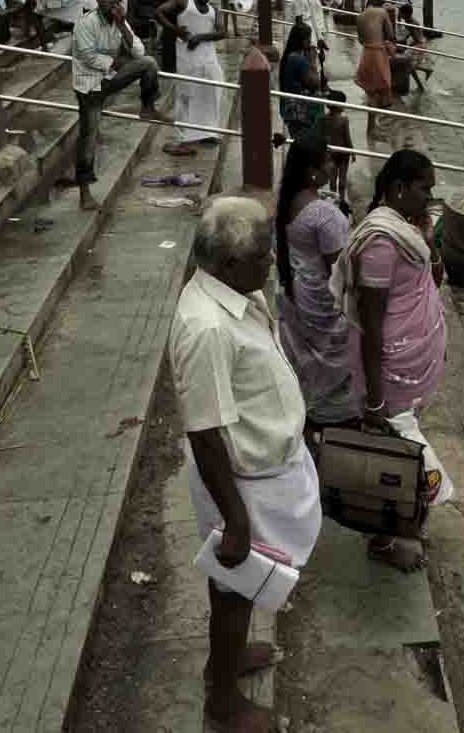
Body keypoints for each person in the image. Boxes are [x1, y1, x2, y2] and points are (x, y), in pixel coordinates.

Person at [169, 196, 320, 733]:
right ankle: (224, 704)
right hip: (239, 480)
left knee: (247, 579)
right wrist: (234, 518)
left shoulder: (239, 291)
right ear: (228, 264)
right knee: (233, 583)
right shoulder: (207, 327)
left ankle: (224, 662)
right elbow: (205, 431)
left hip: (264, 470)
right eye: (261, 256)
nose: (271, 264)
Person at [338, 149, 452, 573]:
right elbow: (369, 325)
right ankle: (384, 539)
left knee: (397, 451)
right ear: (398, 188)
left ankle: (394, 528)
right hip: (389, 370)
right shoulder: (381, 244)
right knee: (395, 455)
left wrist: (427, 237)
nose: (431, 197)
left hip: (411, 367)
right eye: (425, 189)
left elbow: (435, 278)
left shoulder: (406, 230)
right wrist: (373, 398)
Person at [273, 131, 354, 430]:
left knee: (310, 353)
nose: (333, 167)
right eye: (328, 162)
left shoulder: (289, 202)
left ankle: (312, 404)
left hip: (299, 291)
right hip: (322, 295)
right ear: (311, 171)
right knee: (340, 348)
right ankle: (335, 411)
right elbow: (339, 271)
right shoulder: (323, 215)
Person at [71, 0, 169, 211]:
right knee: (89, 137)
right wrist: (116, 62)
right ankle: (85, 192)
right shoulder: (86, 23)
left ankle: (148, 106)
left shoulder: (119, 22)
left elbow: (138, 50)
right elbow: (88, 56)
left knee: (148, 63)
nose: (103, 0)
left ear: (118, 1)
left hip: (109, 77)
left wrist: (123, 24)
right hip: (89, 86)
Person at [160, 0, 225, 157]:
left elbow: (222, 32)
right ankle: (182, 141)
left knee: (212, 93)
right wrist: (175, 30)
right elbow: (159, 12)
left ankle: (207, 132)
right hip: (187, 59)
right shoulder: (183, 1)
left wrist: (200, 37)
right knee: (185, 97)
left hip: (208, 59)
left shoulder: (213, 10)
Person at [353, 0, 395, 143]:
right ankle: (371, 129)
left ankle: (372, 126)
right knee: (379, 91)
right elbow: (390, 34)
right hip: (377, 54)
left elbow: (360, 39)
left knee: (371, 91)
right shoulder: (382, 12)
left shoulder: (360, 16)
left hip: (366, 53)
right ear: (379, 5)